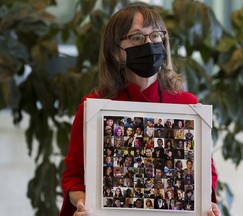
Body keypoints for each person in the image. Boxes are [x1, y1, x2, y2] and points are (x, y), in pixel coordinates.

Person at [60, 3, 219, 216]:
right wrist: (82, 203)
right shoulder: (93, 108)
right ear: (116, 52)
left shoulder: (188, 106)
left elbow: (205, 173)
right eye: (137, 37)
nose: (149, 43)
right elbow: (73, 177)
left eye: (155, 36)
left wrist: (206, 204)